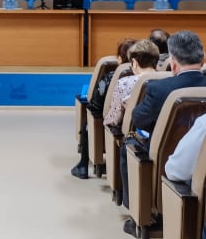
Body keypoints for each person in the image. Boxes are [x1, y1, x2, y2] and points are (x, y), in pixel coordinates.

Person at [121, 30, 206, 234]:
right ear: (203, 59)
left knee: (128, 147)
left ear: (173, 63)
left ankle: (138, 215)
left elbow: (138, 119)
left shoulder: (159, 89)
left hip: (167, 162)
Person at [72, 37, 136, 179]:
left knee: (88, 121)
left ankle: (83, 165)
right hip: (136, 127)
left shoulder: (110, 77)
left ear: (120, 58)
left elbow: (96, 104)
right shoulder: (147, 77)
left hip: (112, 124)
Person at [103, 39, 159, 128]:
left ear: (134, 63)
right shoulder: (168, 80)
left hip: (132, 132)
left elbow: (114, 119)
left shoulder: (124, 83)